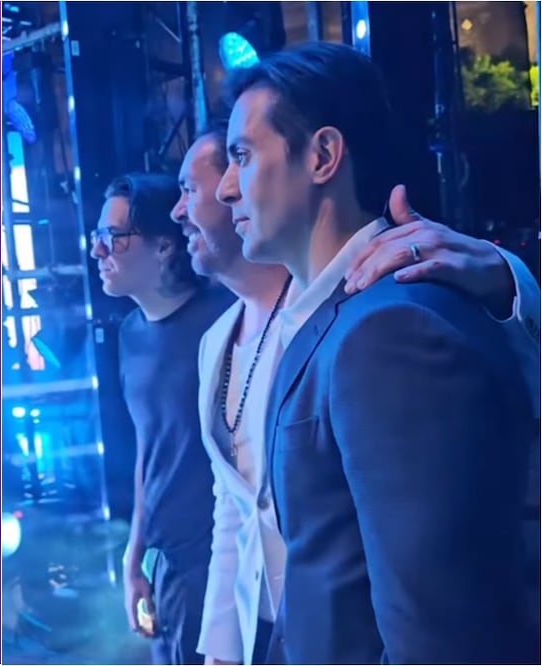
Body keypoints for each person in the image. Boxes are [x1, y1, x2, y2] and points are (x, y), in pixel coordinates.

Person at [213, 41, 537, 663]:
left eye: (242, 156)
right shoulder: (337, 316)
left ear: (324, 155)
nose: (227, 188)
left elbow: (439, 638)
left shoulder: (386, 330)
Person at [93, 173, 236, 664]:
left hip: (222, 561)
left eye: (114, 237)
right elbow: (148, 450)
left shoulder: (227, 320)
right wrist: (135, 557)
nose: (99, 251)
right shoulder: (129, 334)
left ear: (163, 248)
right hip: (166, 564)